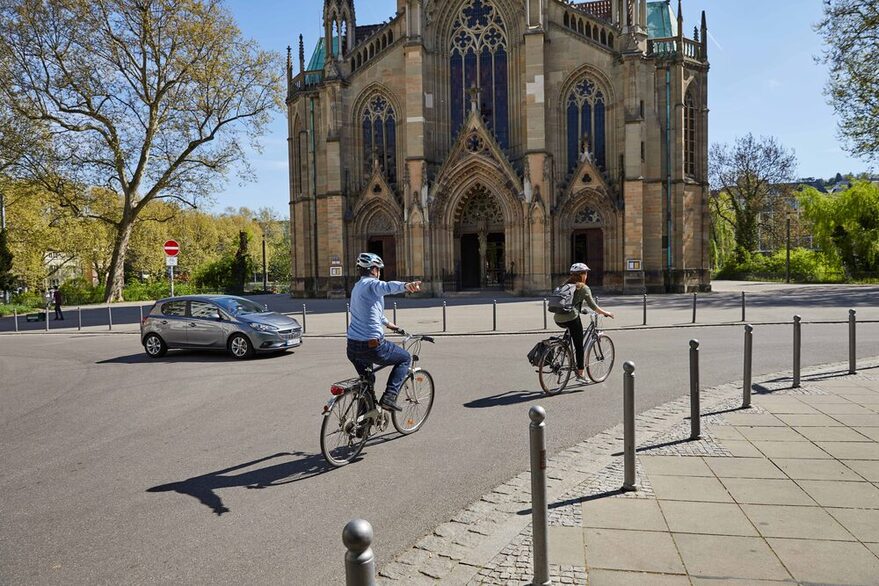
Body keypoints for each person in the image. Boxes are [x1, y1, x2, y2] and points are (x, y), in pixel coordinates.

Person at [346, 252, 421, 412]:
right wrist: (406, 286)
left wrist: (389, 324)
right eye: (379, 269)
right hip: (372, 345)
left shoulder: (357, 287)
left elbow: (372, 312)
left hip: (352, 346)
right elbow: (387, 287)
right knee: (405, 359)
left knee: (367, 381)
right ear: (373, 270)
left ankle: (361, 423)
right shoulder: (372, 284)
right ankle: (389, 397)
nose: (379, 273)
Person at [554, 263, 614, 380]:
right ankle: (580, 374)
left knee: (570, 332)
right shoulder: (583, 288)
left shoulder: (565, 285)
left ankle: (563, 348)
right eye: (585, 273)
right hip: (571, 318)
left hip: (558, 318)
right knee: (579, 346)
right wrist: (606, 313)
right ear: (581, 275)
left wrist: (580, 310)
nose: (586, 275)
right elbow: (594, 306)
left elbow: (569, 303)